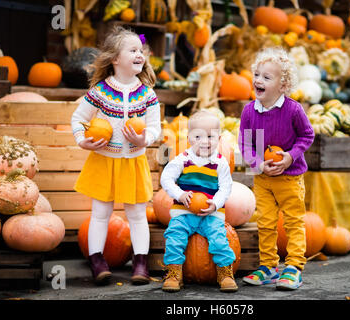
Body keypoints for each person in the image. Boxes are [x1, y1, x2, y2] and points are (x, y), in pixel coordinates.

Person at [71, 26, 161, 285]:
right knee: (100, 213)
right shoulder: (100, 91)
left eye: (140, 50)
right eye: (132, 50)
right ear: (114, 59)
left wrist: (145, 139)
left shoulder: (146, 94)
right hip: (103, 160)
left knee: (137, 214)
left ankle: (140, 262)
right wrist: (82, 140)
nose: (139, 54)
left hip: (134, 162)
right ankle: (97, 260)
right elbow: (78, 118)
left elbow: (155, 127)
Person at [238, 47, 314, 290]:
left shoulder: (293, 110)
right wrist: (257, 164)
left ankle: (293, 267)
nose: (258, 80)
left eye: (266, 77)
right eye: (257, 74)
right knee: (266, 223)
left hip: (289, 177)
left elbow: (307, 136)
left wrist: (291, 157)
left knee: (293, 222)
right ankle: (268, 266)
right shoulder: (249, 111)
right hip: (262, 178)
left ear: (283, 86)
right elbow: (245, 143)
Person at [160, 110, 237, 293]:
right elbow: (166, 178)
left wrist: (216, 204)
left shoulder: (220, 163)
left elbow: (226, 187)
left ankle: (225, 272)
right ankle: (173, 273)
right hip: (184, 212)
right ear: (189, 138)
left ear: (218, 138)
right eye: (198, 136)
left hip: (210, 213)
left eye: (210, 136)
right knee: (174, 237)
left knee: (219, 239)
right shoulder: (182, 160)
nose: (204, 141)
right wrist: (179, 194)